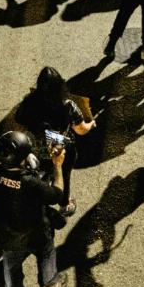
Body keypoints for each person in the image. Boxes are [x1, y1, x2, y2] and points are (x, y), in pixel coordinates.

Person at [0, 131, 70, 287]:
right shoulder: (31, 183)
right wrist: (58, 165)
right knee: (46, 253)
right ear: (23, 158)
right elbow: (57, 195)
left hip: (5, 234)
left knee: (10, 263)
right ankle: (50, 285)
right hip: (36, 232)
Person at [14, 66, 95, 213]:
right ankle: (64, 203)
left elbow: (18, 118)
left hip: (35, 148)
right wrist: (91, 124)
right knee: (64, 173)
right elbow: (81, 130)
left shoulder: (29, 101)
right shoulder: (68, 105)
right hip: (59, 148)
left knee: (35, 172)